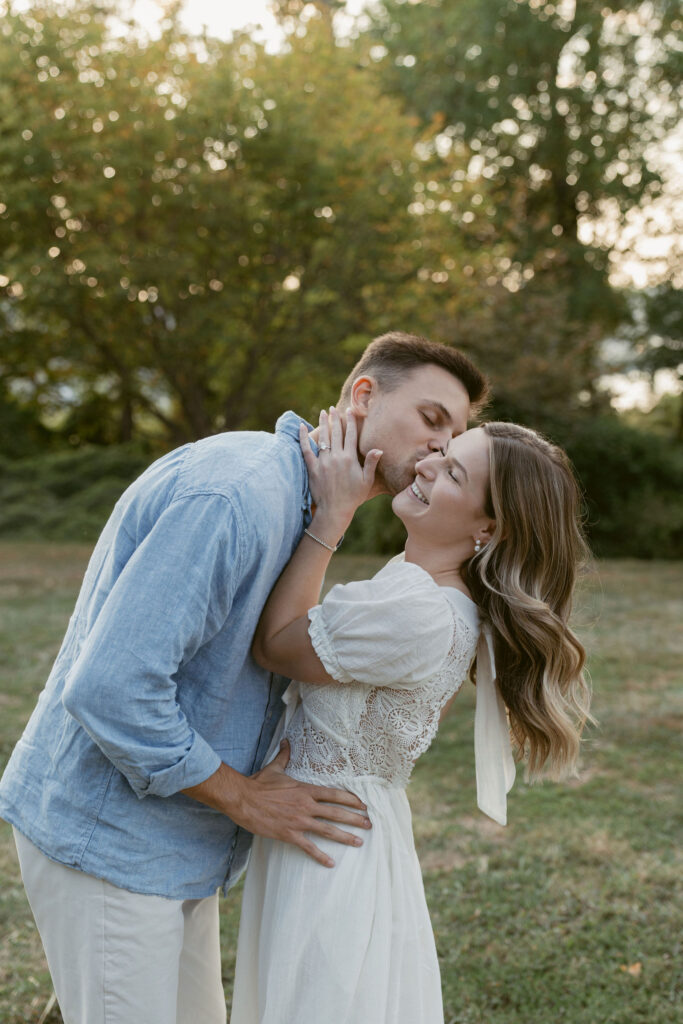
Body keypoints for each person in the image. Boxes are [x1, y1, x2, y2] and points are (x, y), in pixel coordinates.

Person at [0, 332, 487, 1024]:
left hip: (178, 839)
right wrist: (244, 799)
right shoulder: (241, 494)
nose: (439, 450)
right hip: (108, 840)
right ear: (362, 395)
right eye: (431, 420)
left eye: (455, 436)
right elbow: (111, 687)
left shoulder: (309, 504)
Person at [229, 408, 592, 1024]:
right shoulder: (422, 588)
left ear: (489, 528)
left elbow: (276, 644)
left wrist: (331, 517)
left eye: (451, 472)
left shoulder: (422, 612)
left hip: (330, 843)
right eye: (442, 452)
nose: (424, 464)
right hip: (325, 826)